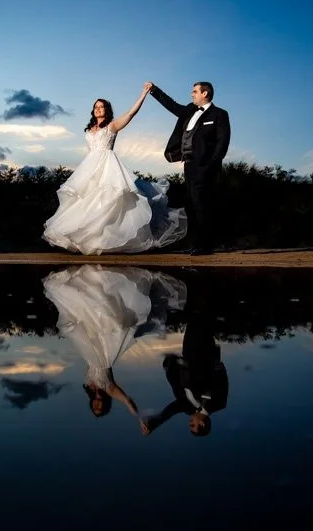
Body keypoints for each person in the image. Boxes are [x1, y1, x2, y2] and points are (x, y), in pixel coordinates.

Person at [42, 84, 188, 255]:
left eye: (101, 106)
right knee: (87, 201)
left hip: (108, 165)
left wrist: (143, 94)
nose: (98, 109)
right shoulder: (89, 130)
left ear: (107, 110)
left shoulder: (112, 126)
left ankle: (108, 240)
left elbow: (131, 113)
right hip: (90, 166)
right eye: (95, 107)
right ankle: (88, 240)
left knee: (110, 200)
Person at [43, 265, 186, 432]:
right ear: (106, 405)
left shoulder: (89, 386)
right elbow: (127, 401)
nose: (97, 405)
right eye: (100, 408)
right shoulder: (108, 388)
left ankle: (93, 280)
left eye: (95, 408)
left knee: (89, 315)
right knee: (108, 317)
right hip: (104, 352)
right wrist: (140, 417)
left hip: (90, 348)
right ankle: (104, 281)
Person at [146, 81, 230, 255]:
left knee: (202, 204)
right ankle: (195, 244)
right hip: (189, 165)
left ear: (205, 93)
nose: (192, 94)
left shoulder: (219, 114)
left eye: (194, 91)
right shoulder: (190, 111)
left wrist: (211, 164)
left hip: (205, 166)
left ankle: (205, 246)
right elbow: (172, 105)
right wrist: (154, 90)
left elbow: (222, 142)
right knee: (191, 204)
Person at [140, 309, 229, 437]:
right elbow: (221, 377)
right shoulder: (218, 403)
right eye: (193, 425)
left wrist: (154, 424)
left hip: (188, 353)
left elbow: (172, 410)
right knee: (203, 317)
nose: (190, 423)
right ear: (203, 424)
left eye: (190, 426)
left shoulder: (188, 407)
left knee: (192, 318)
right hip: (204, 351)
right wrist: (214, 359)